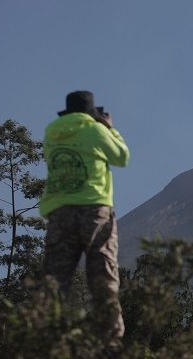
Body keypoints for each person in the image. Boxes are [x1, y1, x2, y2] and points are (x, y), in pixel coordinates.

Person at [39, 90, 130, 343]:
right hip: (94, 209)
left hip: (59, 211)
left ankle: (44, 339)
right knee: (103, 273)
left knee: (55, 278)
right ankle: (110, 340)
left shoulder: (51, 132)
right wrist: (110, 129)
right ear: (93, 113)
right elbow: (121, 157)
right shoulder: (96, 130)